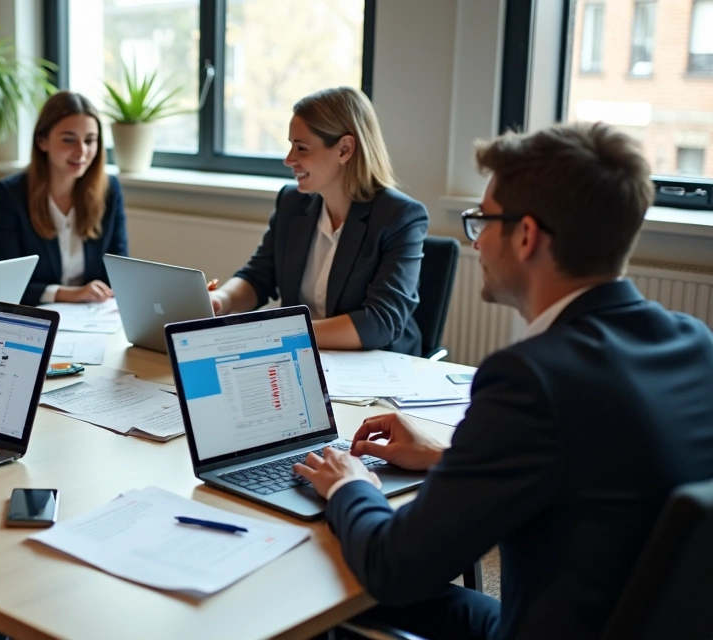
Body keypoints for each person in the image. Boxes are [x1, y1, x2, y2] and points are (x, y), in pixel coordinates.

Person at [296, 122, 713, 639]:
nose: (476, 242)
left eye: (482, 221)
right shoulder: (694, 343)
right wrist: (449, 458)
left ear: (526, 235)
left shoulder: (532, 378)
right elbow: (598, 472)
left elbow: (395, 568)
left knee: (331, 589)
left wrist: (348, 485)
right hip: (610, 620)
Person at [209, 87, 428, 355]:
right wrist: (221, 300)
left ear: (344, 149)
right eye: (291, 145)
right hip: (302, 356)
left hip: (374, 366)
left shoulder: (399, 217)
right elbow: (258, 277)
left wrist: (281, 333)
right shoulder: (292, 203)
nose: (289, 159)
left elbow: (380, 322)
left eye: (301, 148)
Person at [0, 91, 128, 306]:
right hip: (39, 315)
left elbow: (120, 272)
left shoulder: (110, 190)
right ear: (42, 141)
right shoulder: (12, 194)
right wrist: (68, 294)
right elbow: (10, 282)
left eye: (90, 140)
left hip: (94, 317)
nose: (82, 151)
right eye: (69, 140)